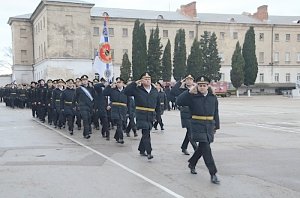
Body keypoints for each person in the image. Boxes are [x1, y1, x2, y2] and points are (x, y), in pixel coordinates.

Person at [176, 75, 220, 184]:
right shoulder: (192, 97)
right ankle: (213, 173)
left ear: (208, 86)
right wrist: (189, 91)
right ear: (197, 86)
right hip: (197, 125)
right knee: (206, 149)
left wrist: (216, 125)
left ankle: (192, 163)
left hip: (209, 125)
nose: (202, 87)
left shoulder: (212, 97)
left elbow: (216, 112)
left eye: (204, 85)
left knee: (202, 148)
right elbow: (179, 101)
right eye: (200, 85)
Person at [124, 72, 160, 160]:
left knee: (146, 132)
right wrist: (135, 83)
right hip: (141, 114)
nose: (147, 80)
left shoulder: (154, 90)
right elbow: (126, 91)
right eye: (145, 78)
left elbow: (157, 104)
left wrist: (158, 116)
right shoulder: (137, 89)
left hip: (151, 115)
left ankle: (141, 149)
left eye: (149, 79)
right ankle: (149, 152)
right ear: (141, 80)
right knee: (146, 132)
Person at [170, 74, 198, 155]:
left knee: (190, 130)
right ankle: (196, 149)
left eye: (190, 79)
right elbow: (172, 92)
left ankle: (184, 147)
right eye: (187, 79)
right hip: (185, 111)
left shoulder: (196, 88)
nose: (189, 81)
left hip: (194, 111)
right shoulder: (181, 88)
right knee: (190, 130)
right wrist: (179, 82)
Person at [103, 77, 128, 144]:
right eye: (117, 82)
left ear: (123, 83)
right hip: (115, 109)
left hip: (123, 109)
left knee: (122, 124)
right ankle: (121, 138)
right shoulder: (113, 90)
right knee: (119, 123)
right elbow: (104, 93)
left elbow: (129, 101)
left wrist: (129, 110)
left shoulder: (126, 91)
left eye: (119, 82)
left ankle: (116, 137)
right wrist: (109, 86)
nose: (118, 84)